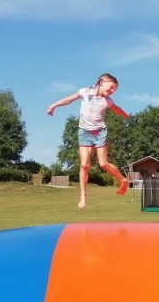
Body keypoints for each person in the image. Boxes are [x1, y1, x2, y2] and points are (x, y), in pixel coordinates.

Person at [47, 73, 130, 208]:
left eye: (115, 90)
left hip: (99, 132)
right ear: (101, 82)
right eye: (111, 87)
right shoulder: (85, 92)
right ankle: (83, 196)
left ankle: (122, 180)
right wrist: (53, 105)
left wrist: (126, 115)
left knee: (103, 164)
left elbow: (117, 109)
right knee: (84, 165)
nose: (112, 91)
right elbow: (69, 99)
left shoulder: (107, 101)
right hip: (84, 131)